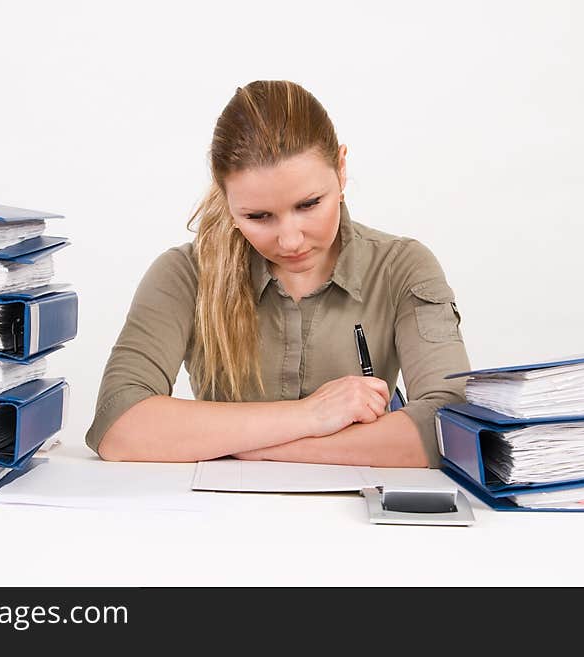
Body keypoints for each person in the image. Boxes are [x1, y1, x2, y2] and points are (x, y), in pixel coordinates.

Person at [85, 80, 470, 467]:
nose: (289, 240)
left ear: (341, 169)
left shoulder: (402, 268)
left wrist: (255, 447)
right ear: (226, 198)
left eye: (308, 204)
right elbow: (120, 425)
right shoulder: (183, 275)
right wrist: (312, 416)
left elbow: (450, 426)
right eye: (258, 216)